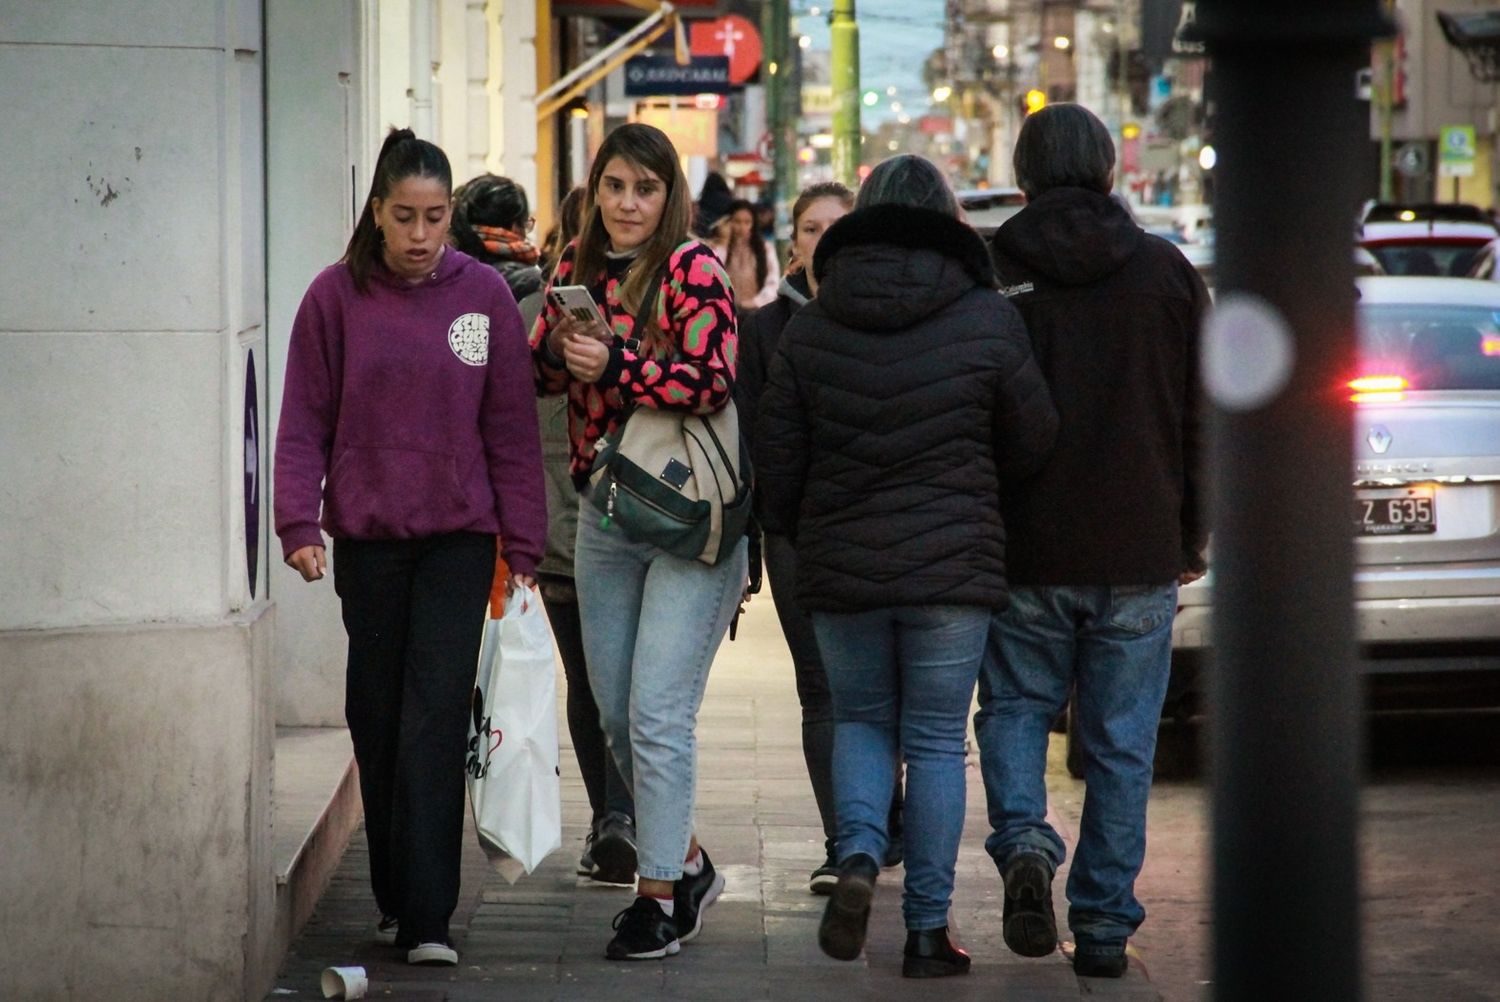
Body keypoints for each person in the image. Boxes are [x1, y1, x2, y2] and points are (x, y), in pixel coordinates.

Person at [756, 154, 1058, 978]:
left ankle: (857, 855)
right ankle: (928, 932)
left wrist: (798, 530)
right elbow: (1033, 440)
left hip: (843, 567)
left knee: (859, 719)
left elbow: (776, 461)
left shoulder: (813, 326)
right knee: (932, 742)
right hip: (953, 572)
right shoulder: (989, 320)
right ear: (951, 224)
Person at [274, 128, 546, 968]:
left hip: (460, 543)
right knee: (377, 715)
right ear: (378, 215)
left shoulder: (484, 298)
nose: (422, 234)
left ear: (451, 215)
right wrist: (296, 524)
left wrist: (525, 543)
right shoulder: (334, 298)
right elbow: (304, 419)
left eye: (435, 216)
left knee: (433, 718)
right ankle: (395, 894)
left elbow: (509, 427)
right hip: (369, 542)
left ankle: (430, 914)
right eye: (406, 216)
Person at [974, 103, 1209, 979]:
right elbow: (1199, 418)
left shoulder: (993, 272)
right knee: (1120, 743)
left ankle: (1028, 841)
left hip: (1025, 544)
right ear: (1111, 172)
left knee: (1015, 710)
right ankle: (1105, 927)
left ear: (1023, 177)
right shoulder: (1168, 275)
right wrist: (1193, 534)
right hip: (1140, 544)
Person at [529, 123, 745, 962]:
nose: (626, 204)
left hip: (690, 521)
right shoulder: (574, 269)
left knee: (657, 712)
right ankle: (686, 861)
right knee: (616, 711)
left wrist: (613, 364)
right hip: (606, 515)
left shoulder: (694, 268)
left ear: (669, 196)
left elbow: (711, 377)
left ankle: (657, 898)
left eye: (644, 189)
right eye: (614, 186)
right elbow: (542, 378)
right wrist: (558, 349)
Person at [452, 178, 638, 885]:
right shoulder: (545, 305)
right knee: (626, 682)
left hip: (548, 523)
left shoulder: (517, 306)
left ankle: (613, 820)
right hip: (614, 518)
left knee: (591, 682)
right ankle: (631, 820)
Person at [736, 180, 862, 894]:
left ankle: (877, 822)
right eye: (811, 229)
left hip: (872, 527)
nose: (823, 241)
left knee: (876, 692)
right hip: (794, 533)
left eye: (837, 227)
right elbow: (754, 442)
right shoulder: (764, 331)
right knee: (822, 689)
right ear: (793, 243)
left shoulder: (883, 318)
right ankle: (844, 843)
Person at [709, 197, 780, 309]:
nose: (742, 228)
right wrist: (723, 241)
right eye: (737, 221)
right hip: (726, 311)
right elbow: (712, 275)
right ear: (728, 222)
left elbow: (773, 282)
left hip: (757, 311)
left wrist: (756, 302)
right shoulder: (721, 248)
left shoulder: (765, 249)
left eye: (747, 222)